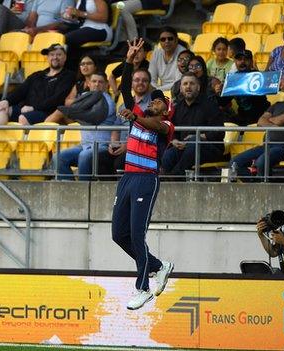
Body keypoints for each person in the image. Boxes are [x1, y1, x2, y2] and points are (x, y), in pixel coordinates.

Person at [112, 38, 175, 311]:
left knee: (137, 234)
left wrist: (134, 117)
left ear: (166, 109)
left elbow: (154, 126)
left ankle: (143, 288)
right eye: (153, 100)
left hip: (146, 180)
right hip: (127, 178)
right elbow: (126, 86)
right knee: (119, 235)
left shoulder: (165, 125)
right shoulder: (139, 111)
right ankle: (159, 266)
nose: (154, 102)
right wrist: (129, 60)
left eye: (160, 101)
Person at [0, 43, 75, 140]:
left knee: (23, 117)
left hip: (48, 112)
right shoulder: (37, 75)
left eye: (58, 54)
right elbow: (21, 90)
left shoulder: (68, 76)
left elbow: (58, 98)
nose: (55, 57)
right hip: (27, 110)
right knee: (1, 109)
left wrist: (34, 107)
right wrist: (6, 101)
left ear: (65, 57)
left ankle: (22, 148)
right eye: (52, 54)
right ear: (47, 58)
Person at [230, 73, 284, 181]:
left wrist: (271, 120)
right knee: (235, 162)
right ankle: (254, 185)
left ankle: (265, 189)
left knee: (261, 162)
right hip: (267, 144)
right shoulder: (277, 104)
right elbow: (260, 121)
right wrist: (275, 123)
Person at [161, 71, 225, 179]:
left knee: (193, 144)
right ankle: (166, 180)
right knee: (168, 154)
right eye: (185, 84)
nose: (188, 87)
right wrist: (175, 141)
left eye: (192, 83)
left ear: (198, 87)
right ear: (181, 88)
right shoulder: (177, 108)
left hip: (210, 148)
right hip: (184, 147)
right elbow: (173, 130)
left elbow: (219, 132)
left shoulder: (210, 105)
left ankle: (174, 177)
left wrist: (198, 137)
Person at [54, 72, 116, 180]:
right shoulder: (84, 96)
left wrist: (73, 112)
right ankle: (70, 190)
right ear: (88, 84)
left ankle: (83, 190)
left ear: (107, 85)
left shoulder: (109, 102)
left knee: (84, 156)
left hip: (102, 146)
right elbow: (76, 111)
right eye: (94, 81)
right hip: (84, 145)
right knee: (58, 157)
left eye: (101, 82)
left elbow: (92, 118)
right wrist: (74, 112)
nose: (97, 84)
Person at [218, 50, 270, 126]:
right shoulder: (232, 78)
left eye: (246, 59)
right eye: (239, 59)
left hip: (260, 115)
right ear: (235, 62)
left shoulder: (258, 76)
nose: (242, 62)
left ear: (251, 62)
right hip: (242, 116)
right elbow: (223, 102)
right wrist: (220, 92)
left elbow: (260, 100)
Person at [44, 55, 97, 124]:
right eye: (82, 64)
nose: (85, 66)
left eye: (89, 63)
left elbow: (93, 103)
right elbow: (67, 101)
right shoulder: (79, 84)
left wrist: (77, 101)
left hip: (90, 118)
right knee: (60, 118)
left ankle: (41, 130)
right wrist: (81, 101)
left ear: (95, 67)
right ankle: (42, 132)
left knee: (60, 112)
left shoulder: (98, 82)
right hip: (78, 115)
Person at [62, 0, 112, 69]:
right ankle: (69, 69)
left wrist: (80, 13)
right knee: (59, 35)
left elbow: (104, 17)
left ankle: (63, 68)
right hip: (84, 27)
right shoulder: (79, 1)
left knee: (66, 38)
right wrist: (71, 16)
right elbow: (80, 18)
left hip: (99, 29)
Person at [148, 26, 187, 91]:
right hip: (160, 91)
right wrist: (154, 89)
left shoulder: (183, 53)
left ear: (176, 40)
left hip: (179, 90)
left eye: (170, 39)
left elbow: (178, 82)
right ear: (159, 42)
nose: (166, 41)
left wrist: (157, 89)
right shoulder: (156, 53)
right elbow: (151, 78)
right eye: (163, 39)